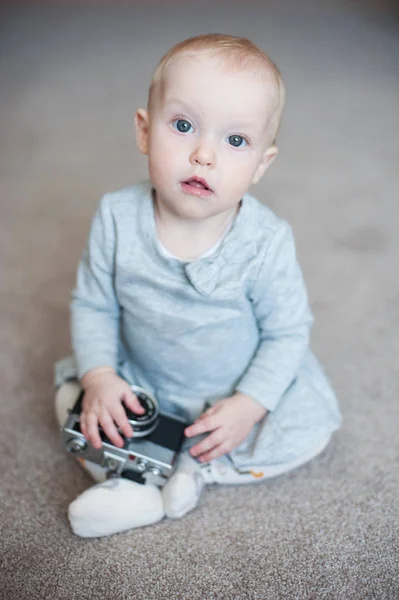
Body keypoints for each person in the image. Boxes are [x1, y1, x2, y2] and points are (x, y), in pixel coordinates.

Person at [54, 33, 341, 538]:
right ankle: (139, 481)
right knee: (74, 395)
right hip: (141, 378)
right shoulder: (117, 217)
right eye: (183, 126)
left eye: (236, 141)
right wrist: (101, 377)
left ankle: (191, 472)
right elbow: (94, 305)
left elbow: (288, 333)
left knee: (303, 431)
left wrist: (249, 405)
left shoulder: (265, 242)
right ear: (144, 131)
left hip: (226, 391)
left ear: (261, 165)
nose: (204, 155)